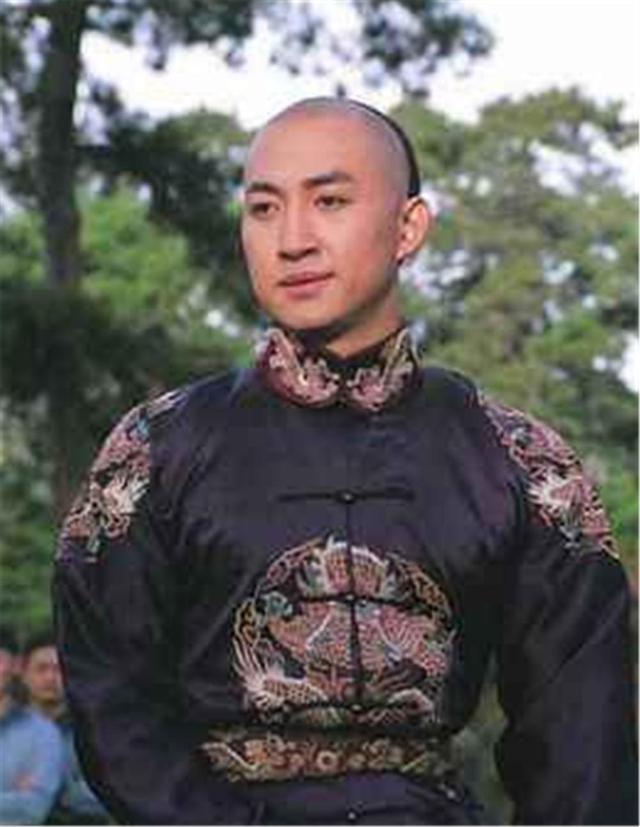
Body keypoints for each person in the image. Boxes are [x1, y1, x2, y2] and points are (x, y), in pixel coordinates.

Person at [53, 97, 637, 825]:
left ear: (408, 227)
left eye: (329, 201)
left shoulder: (524, 463)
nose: (292, 239)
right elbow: (111, 698)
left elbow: (583, 742)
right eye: (263, 209)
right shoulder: (155, 449)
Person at [20, 632, 109, 825]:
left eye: (59, 669)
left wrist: (46, 784)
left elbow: (106, 796)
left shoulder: (94, 732)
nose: (50, 678)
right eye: (41, 669)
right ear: (23, 673)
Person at [0, 626, 64, 825]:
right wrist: (13, 796)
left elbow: (31, 809)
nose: (50, 678)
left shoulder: (43, 733)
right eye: (42, 668)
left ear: (15, 666)